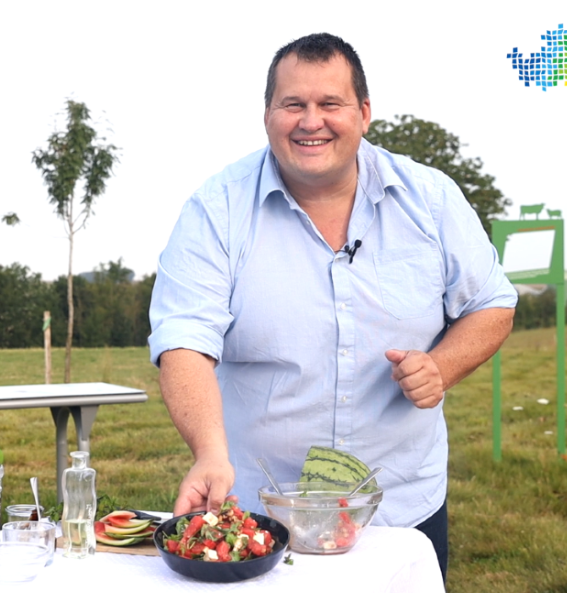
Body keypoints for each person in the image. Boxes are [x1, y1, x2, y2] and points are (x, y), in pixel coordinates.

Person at [148, 32, 516, 580]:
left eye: (330, 104)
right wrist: (207, 451)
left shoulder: (431, 199)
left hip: (400, 508)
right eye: (292, 104)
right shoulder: (216, 209)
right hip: (261, 510)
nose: (310, 121)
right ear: (268, 114)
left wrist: (441, 366)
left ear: (364, 113)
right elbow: (183, 340)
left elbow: (491, 303)